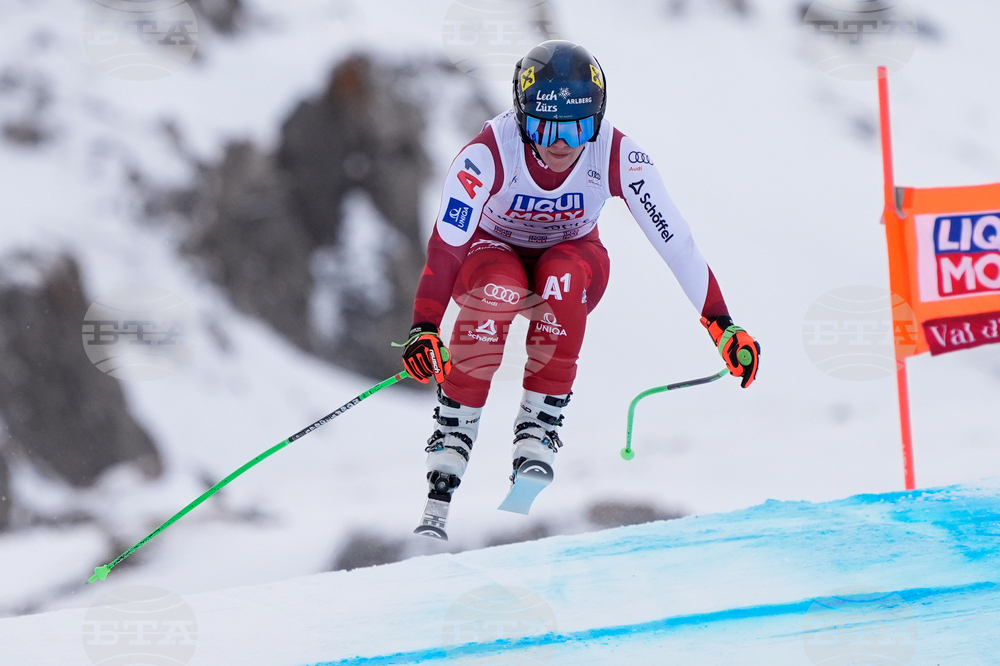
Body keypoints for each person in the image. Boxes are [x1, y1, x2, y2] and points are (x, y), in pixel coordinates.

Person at [402, 40, 760, 538]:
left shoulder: (616, 152)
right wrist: (425, 325)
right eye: (547, 126)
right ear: (521, 115)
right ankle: (453, 433)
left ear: (597, 118)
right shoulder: (486, 155)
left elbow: (674, 240)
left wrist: (721, 324)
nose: (564, 142)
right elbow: (447, 245)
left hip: (571, 259)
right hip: (490, 255)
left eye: (578, 126)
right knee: (499, 288)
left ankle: (539, 425)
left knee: (560, 280)